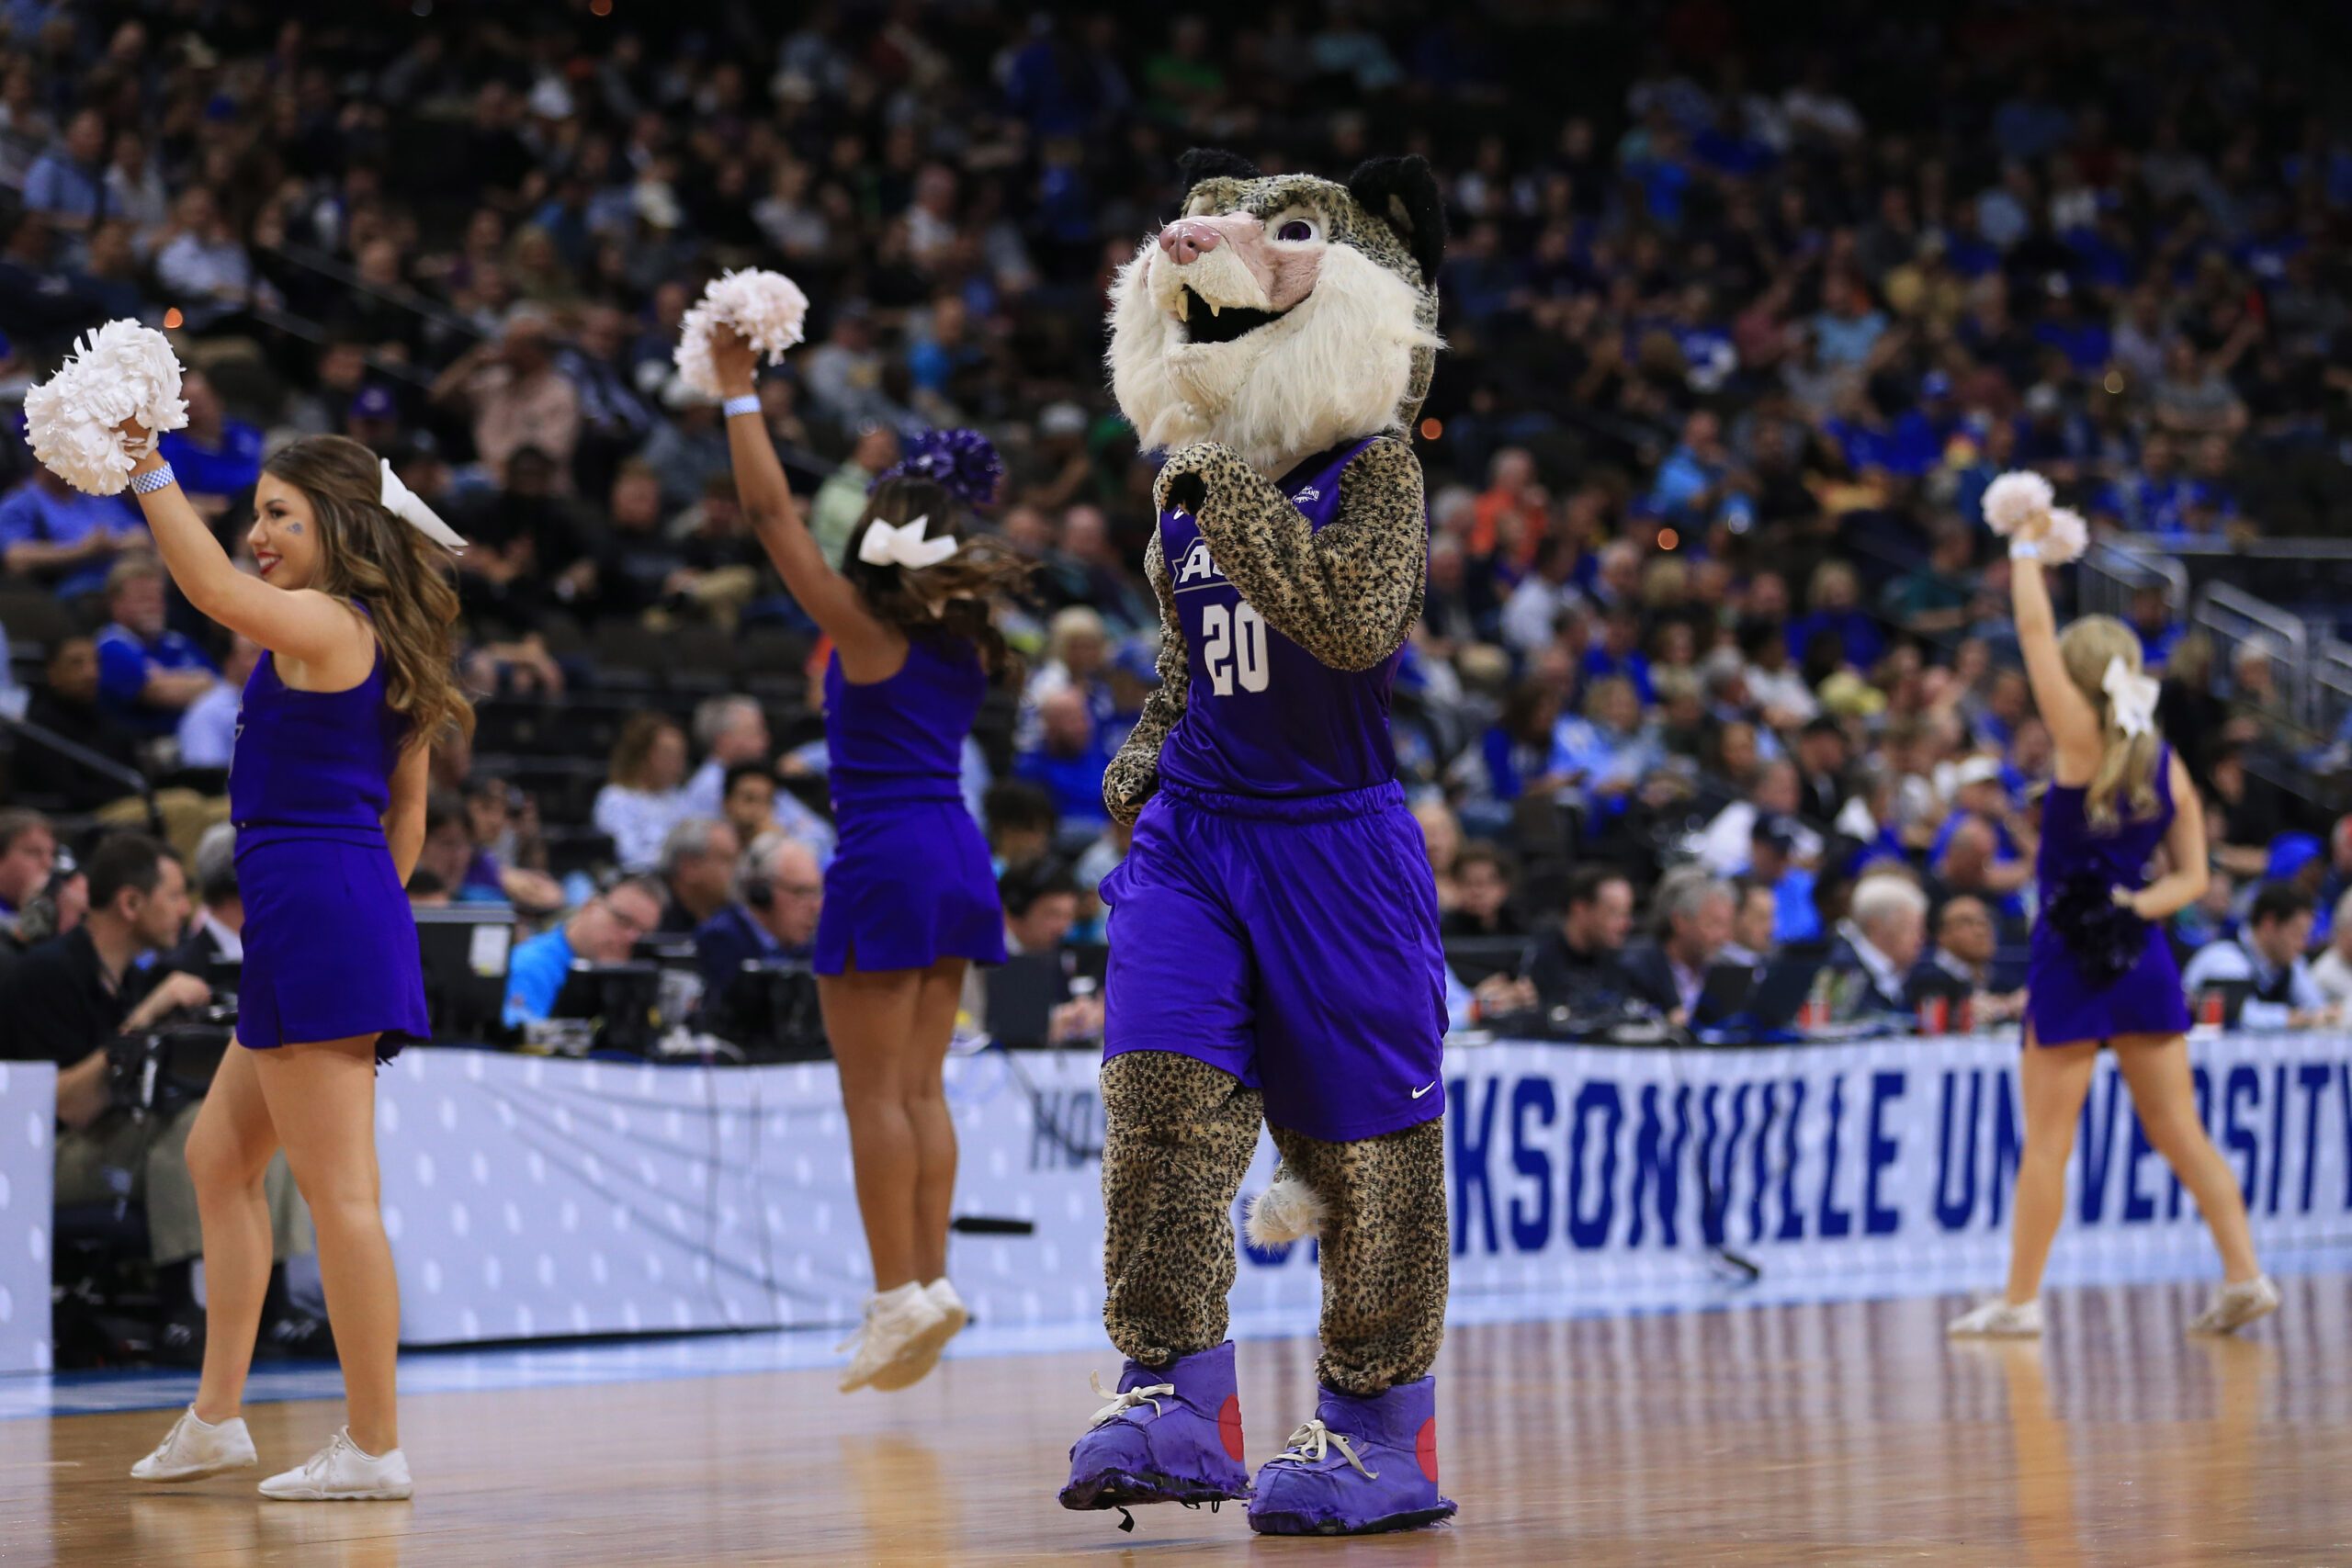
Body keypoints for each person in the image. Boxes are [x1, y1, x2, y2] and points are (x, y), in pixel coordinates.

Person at [108, 415, 474, 1498]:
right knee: (217, 1161)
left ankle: (374, 1445)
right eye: (255, 512)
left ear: (339, 528)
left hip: (314, 912)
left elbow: (211, 589)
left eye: (280, 515)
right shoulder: (382, 640)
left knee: (339, 1196)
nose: (258, 532)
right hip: (323, 911)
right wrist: (358, 912)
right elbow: (407, 822)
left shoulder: (326, 622)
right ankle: (217, 1417)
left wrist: (148, 466)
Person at [713, 325, 1028, 1392]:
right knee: (924, 1090)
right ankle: (929, 1283)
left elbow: (770, 517)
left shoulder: (864, 630)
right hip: (957, 850)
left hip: (888, 851)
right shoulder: (962, 640)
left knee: (872, 1097)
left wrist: (737, 392)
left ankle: (896, 1296)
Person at [1950, 491, 2272, 1340]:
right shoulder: (2167, 764)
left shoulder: (2078, 737)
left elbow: (2030, 633)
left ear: (2078, 674)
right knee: (2180, 1130)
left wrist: (2025, 547)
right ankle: (2246, 1273)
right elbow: (2193, 878)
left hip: (2068, 953)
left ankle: (2021, 1300)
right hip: (2142, 953)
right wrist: (2134, 905)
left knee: (2048, 1141)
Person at [678, 694, 836, 861]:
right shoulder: (710, 785)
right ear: (724, 740)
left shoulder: (758, 776)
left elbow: (821, 832)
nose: (766, 738)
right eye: (755, 731)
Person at [502, 878, 663, 1026]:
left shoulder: (624, 978)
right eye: (623, 921)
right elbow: (518, 1042)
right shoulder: (532, 965)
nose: (631, 938)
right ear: (590, 906)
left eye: (643, 933)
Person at [95, 553, 220, 738]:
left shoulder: (177, 642)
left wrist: (166, 678)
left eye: (157, 598)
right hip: (147, 743)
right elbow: (160, 692)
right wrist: (195, 681)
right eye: (143, 598)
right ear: (116, 604)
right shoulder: (110, 646)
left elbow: (218, 686)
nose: (153, 606)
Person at [2180, 882, 2335, 1031]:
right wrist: (2295, 1019)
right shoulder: (2223, 957)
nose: (2302, 945)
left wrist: (2320, 1015)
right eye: (2296, 934)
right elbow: (2237, 1017)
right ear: (2269, 923)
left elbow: (2318, 1008)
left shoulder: (2290, 964)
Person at [694, 834, 823, 1002]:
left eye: (817, 892)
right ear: (761, 893)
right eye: (800, 892)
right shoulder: (721, 939)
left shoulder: (807, 948)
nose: (816, 907)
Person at [1622, 875, 1735, 1022]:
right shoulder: (1637, 967)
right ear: (1680, 922)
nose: (1722, 937)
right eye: (1713, 924)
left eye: (1726, 925)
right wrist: (1666, 1022)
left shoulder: (1727, 968)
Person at [1521, 866, 1634, 1014]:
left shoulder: (1617, 961)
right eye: (1614, 913)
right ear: (1580, 909)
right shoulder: (1540, 960)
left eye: (1627, 913)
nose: (1626, 924)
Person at [592, 712, 690, 874]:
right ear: (642, 755)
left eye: (680, 755)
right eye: (668, 754)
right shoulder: (616, 799)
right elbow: (627, 857)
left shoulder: (680, 798)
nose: (677, 764)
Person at [1906, 894, 2024, 1025]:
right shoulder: (1927, 978)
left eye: (1985, 922)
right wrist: (2005, 1007)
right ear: (1942, 935)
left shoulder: (2001, 979)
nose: (1981, 931)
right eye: (1967, 923)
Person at [1822, 874, 1928, 1020]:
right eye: (1912, 928)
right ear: (1876, 926)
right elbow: (1836, 1025)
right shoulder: (1841, 969)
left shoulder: (1911, 972)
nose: (1921, 938)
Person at [177, 634, 260, 770]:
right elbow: (208, 775)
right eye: (253, 653)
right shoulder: (208, 713)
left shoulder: (275, 702)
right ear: (230, 661)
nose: (265, 661)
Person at [653, 816, 740, 935]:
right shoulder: (648, 920)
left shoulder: (737, 918)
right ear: (690, 867)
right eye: (727, 860)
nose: (739, 870)